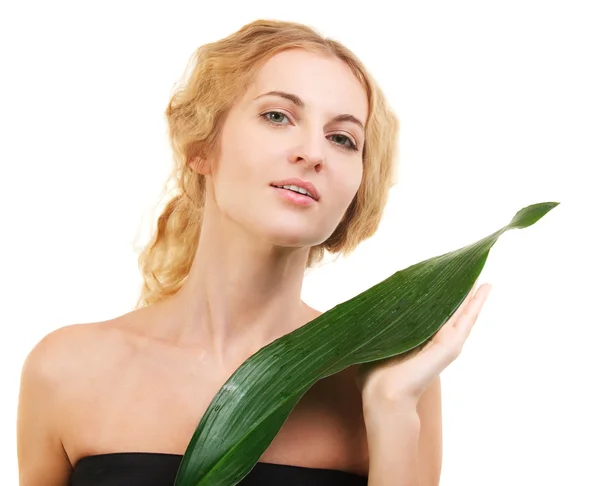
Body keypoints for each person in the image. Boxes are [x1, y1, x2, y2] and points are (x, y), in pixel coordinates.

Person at [17, 18, 492, 486]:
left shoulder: (396, 382)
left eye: (343, 138)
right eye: (277, 116)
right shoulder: (66, 370)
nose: (313, 152)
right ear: (201, 147)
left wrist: (391, 410)